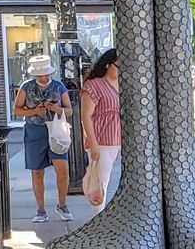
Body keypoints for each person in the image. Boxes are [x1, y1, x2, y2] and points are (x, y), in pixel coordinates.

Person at [14, 53, 72, 222]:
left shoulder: (59, 86)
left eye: (46, 74)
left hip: (56, 132)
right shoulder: (26, 87)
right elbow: (17, 110)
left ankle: (62, 205)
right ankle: (41, 210)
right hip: (35, 132)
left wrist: (57, 109)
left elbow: (69, 110)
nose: (44, 77)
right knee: (37, 171)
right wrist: (34, 111)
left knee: (62, 169)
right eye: (40, 75)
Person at [80, 48, 122, 206]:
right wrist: (93, 142)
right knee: (99, 184)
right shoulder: (94, 86)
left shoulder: (122, 85)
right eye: (118, 66)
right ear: (107, 65)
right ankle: (97, 219)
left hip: (119, 139)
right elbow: (86, 116)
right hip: (102, 141)